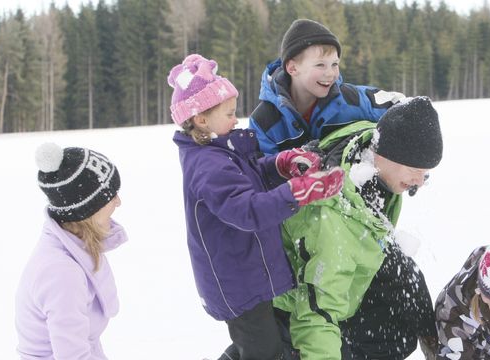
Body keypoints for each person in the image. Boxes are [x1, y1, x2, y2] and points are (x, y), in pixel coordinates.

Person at [168, 54, 345, 360]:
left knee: (257, 345)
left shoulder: (219, 152)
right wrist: (298, 193)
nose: (235, 120)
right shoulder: (208, 165)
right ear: (201, 119)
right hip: (238, 283)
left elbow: (251, 174)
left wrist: (281, 164)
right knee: (263, 352)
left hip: (248, 273)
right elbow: (247, 211)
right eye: (228, 113)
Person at [273, 96, 443, 360]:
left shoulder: (368, 148)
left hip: (348, 278)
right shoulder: (335, 222)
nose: (419, 182)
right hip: (297, 305)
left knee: (405, 306)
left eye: (426, 174)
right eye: (414, 169)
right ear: (385, 155)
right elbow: (318, 310)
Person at [15, 143, 126, 359]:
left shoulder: (72, 245)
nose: (118, 202)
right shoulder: (62, 273)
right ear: (86, 209)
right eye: (110, 196)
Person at [249, 18, 405, 155]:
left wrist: (411, 158)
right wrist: (297, 167)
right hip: (293, 188)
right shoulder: (264, 121)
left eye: (335, 64)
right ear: (292, 68)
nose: (331, 74)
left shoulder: (351, 99)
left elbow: (402, 108)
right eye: (320, 65)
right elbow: (261, 176)